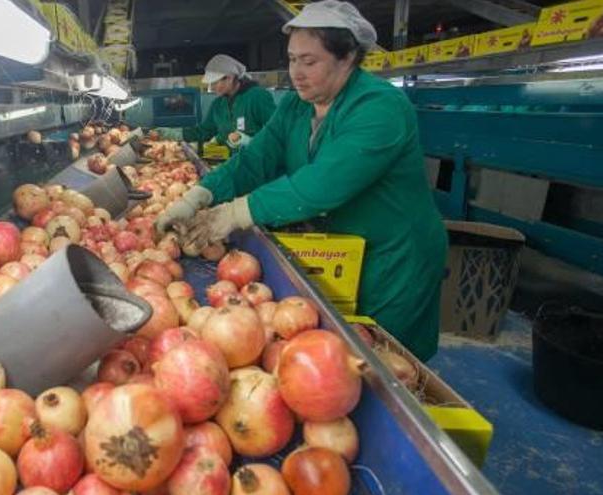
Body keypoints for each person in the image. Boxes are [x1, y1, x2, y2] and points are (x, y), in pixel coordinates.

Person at [156, 1, 448, 361]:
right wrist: (199, 195)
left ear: (348, 57)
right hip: (340, 247)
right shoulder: (297, 107)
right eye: (292, 59)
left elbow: (322, 183)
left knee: (387, 364)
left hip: (391, 256)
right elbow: (254, 159)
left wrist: (235, 213)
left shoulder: (381, 107)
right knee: (338, 358)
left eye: (309, 61)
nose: (296, 72)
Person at [155, 54, 276, 151]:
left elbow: (277, 133)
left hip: (256, 161)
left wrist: (249, 141)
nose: (211, 88)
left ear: (229, 78)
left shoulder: (257, 97)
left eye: (214, 83)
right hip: (227, 159)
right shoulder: (218, 105)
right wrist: (175, 134)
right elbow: (204, 131)